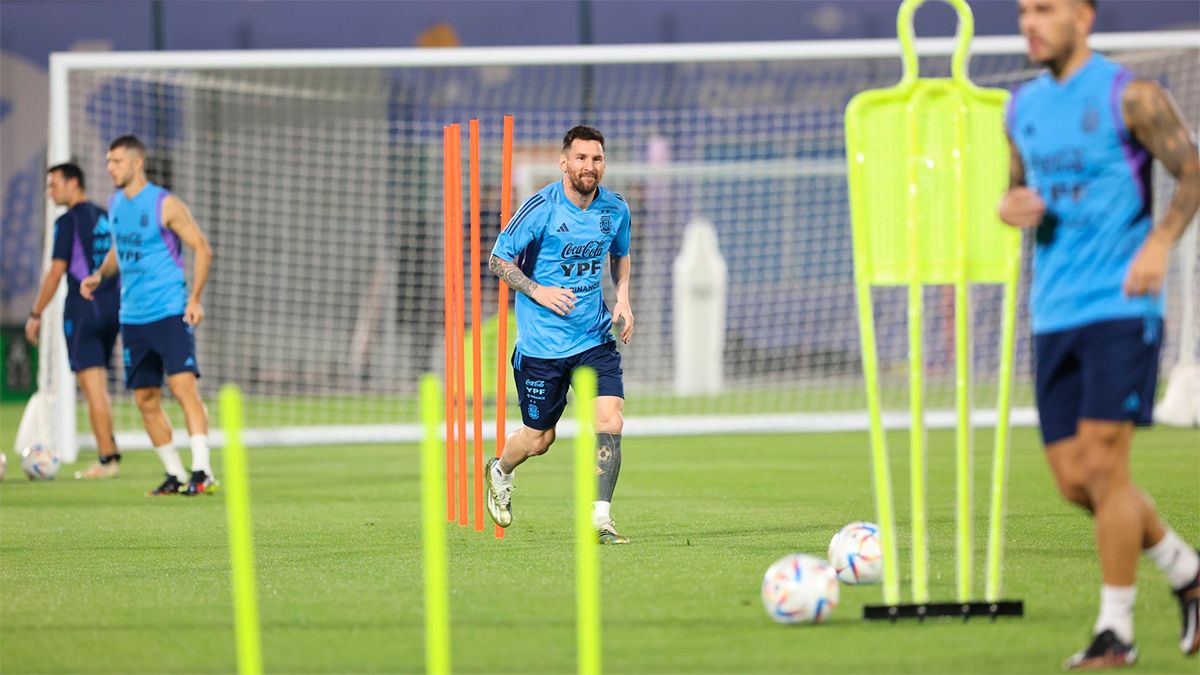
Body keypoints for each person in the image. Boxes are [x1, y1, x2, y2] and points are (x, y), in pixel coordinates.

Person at [1001, 0, 1200, 668]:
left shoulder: (1132, 96)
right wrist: (1010, 205)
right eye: (1023, 11)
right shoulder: (1019, 109)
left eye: (1045, 9)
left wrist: (1160, 243)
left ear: (1083, 18)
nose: (1030, 22)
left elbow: (1193, 170)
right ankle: (1186, 571)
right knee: (1072, 480)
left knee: (1105, 467)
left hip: (1121, 305)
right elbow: (1016, 191)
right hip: (1052, 312)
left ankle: (1116, 632)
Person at [483, 125, 635, 544]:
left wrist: (623, 299)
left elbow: (621, 254)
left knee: (610, 420)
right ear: (564, 162)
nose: (590, 166)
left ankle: (600, 519)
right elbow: (498, 259)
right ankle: (500, 470)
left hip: (594, 338)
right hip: (542, 346)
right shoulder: (541, 208)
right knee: (539, 440)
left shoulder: (615, 209)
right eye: (581, 158)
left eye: (597, 158)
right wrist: (538, 291)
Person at [81, 135, 218, 496]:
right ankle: (175, 474)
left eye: (117, 161)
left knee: (184, 388)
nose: (110, 168)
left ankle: (202, 471)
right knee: (145, 398)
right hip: (133, 316)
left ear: (137, 163)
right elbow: (119, 249)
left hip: (169, 310)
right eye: (108, 161)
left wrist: (195, 299)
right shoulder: (115, 204)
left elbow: (202, 248)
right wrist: (99, 274)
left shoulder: (165, 203)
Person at [25, 163, 122, 479]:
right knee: (100, 386)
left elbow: (56, 272)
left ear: (73, 183)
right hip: (113, 308)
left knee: (92, 386)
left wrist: (36, 313)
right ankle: (111, 451)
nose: (50, 192)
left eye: (54, 184)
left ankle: (107, 460)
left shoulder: (67, 221)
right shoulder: (104, 216)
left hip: (83, 310)